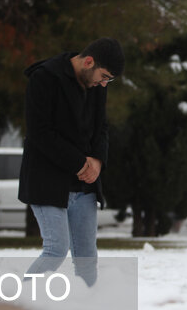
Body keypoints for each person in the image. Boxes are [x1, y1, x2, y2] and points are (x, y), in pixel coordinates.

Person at [19, 37, 124, 286]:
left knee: (87, 257)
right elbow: (39, 132)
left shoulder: (97, 85)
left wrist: (97, 161)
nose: (104, 84)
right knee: (56, 250)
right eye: (104, 76)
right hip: (47, 181)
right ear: (88, 61)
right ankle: (20, 306)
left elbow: (102, 127)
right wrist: (79, 163)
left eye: (109, 80)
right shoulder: (45, 78)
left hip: (84, 185)